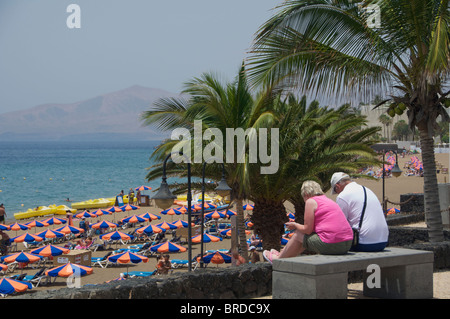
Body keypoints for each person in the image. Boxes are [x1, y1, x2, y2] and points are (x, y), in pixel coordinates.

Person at [263, 181, 353, 263]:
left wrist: (295, 225)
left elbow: (307, 230)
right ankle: (283, 254)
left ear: (305, 193)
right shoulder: (328, 200)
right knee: (305, 239)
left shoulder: (311, 201)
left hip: (332, 245)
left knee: (299, 234)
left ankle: (278, 259)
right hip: (347, 244)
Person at [330, 172, 389, 252]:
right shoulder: (366, 189)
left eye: (335, 191)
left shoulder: (343, 196)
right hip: (383, 241)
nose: (337, 193)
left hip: (363, 243)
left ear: (337, 186)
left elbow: (340, 223)